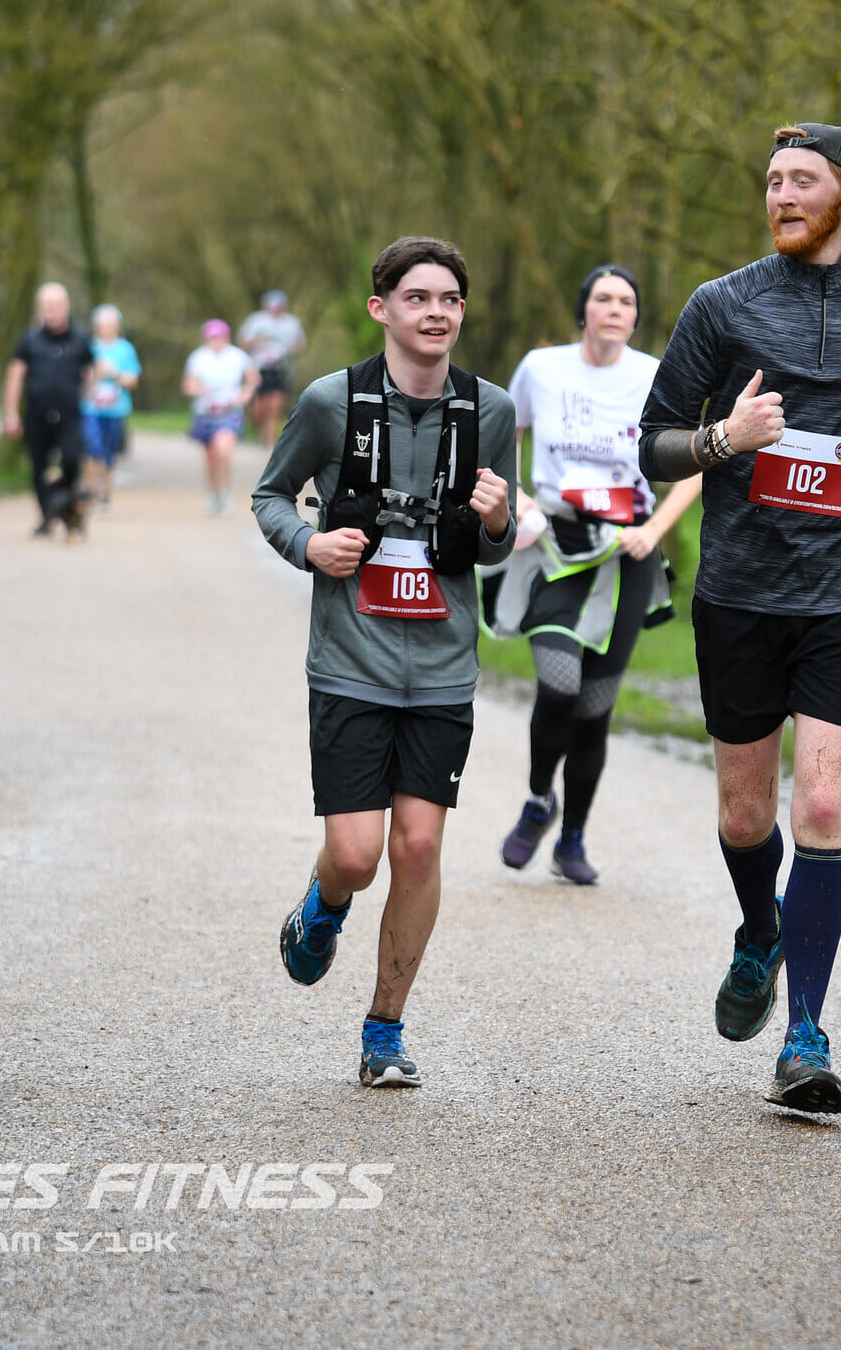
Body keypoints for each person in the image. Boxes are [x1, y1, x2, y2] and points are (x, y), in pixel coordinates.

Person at [638, 123, 841, 1115]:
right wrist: (722, 437)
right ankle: (757, 932)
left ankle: (806, 1038)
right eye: (771, 181)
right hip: (739, 593)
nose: (779, 194)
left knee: (820, 808)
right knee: (745, 816)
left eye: (800, 180)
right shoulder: (720, 305)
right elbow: (652, 446)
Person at [252, 236, 516, 1088]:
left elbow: (494, 541)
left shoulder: (494, 411)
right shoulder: (334, 401)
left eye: (449, 299)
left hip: (442, 668)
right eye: (417, 298)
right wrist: (307, 542)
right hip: (350, 662)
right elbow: (268, 494)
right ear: (383, 308)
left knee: (417, 845)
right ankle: (324, 905)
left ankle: (384, 1029)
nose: (435, 312)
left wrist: (502, 518)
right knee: (359, 854)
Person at [489, 264, 701, 885]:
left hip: (626, 553)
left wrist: (653, 532)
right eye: (603, 298)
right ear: (583, 310)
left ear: (636, 317)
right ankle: (537, 801)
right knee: (557, 681)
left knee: (594, 704)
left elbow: (692, 465)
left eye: (627, 301)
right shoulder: (541, 367)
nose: (615, 309)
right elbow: (502, 438)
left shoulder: (656, 376)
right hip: (554, 544)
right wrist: (520, 498)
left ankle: (573, 836)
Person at [3, 283, 94, 537]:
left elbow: (91, 371)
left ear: (66, 307)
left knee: (71, 458)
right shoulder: (29, 339)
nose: (49, 310)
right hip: (36, 413)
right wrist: (10, 412)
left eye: (54, 305)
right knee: (38, 466)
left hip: (69, 413)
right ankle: (46, 516)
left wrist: (87, 395)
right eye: (44, 306)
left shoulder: (80, 338)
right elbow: (15, 374)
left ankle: (68, 507)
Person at [183, 319, 253, 514]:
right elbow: (188, 386)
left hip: (229, 412)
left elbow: (253, 379)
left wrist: (245, 393)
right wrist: (199, 389)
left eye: (219, 337)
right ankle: (214, 494)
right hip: (206, 413)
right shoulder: (198, 358)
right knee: (211, 457)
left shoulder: (238, 357)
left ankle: (225, 493)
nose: (215, 342)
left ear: (226, 337)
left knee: (224, 451)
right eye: (211, 338)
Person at [81, 304, 141, 513]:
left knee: (108, 454)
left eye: (111, 325)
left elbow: (133, 381)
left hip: (116, 409)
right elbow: (79, 377)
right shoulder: (87, 347)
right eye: (102, 325)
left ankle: (106, 495)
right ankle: (89, 492)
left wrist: (113, 374)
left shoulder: (125, 349)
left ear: (118, 327)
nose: (106, 329)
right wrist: (94, 374)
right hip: (90, 408)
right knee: (91, 449)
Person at [238, 289, 308, 447]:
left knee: (276, 404)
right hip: (258, 369)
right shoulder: (255, 321)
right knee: (258, 408)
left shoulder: (292, 323)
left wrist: (289, 348)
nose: (275, 309)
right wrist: (258, 342)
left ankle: (269, 439)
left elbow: (301, 346)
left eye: (279, 306)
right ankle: (258, 427)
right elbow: (243, 342)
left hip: (280, 369)